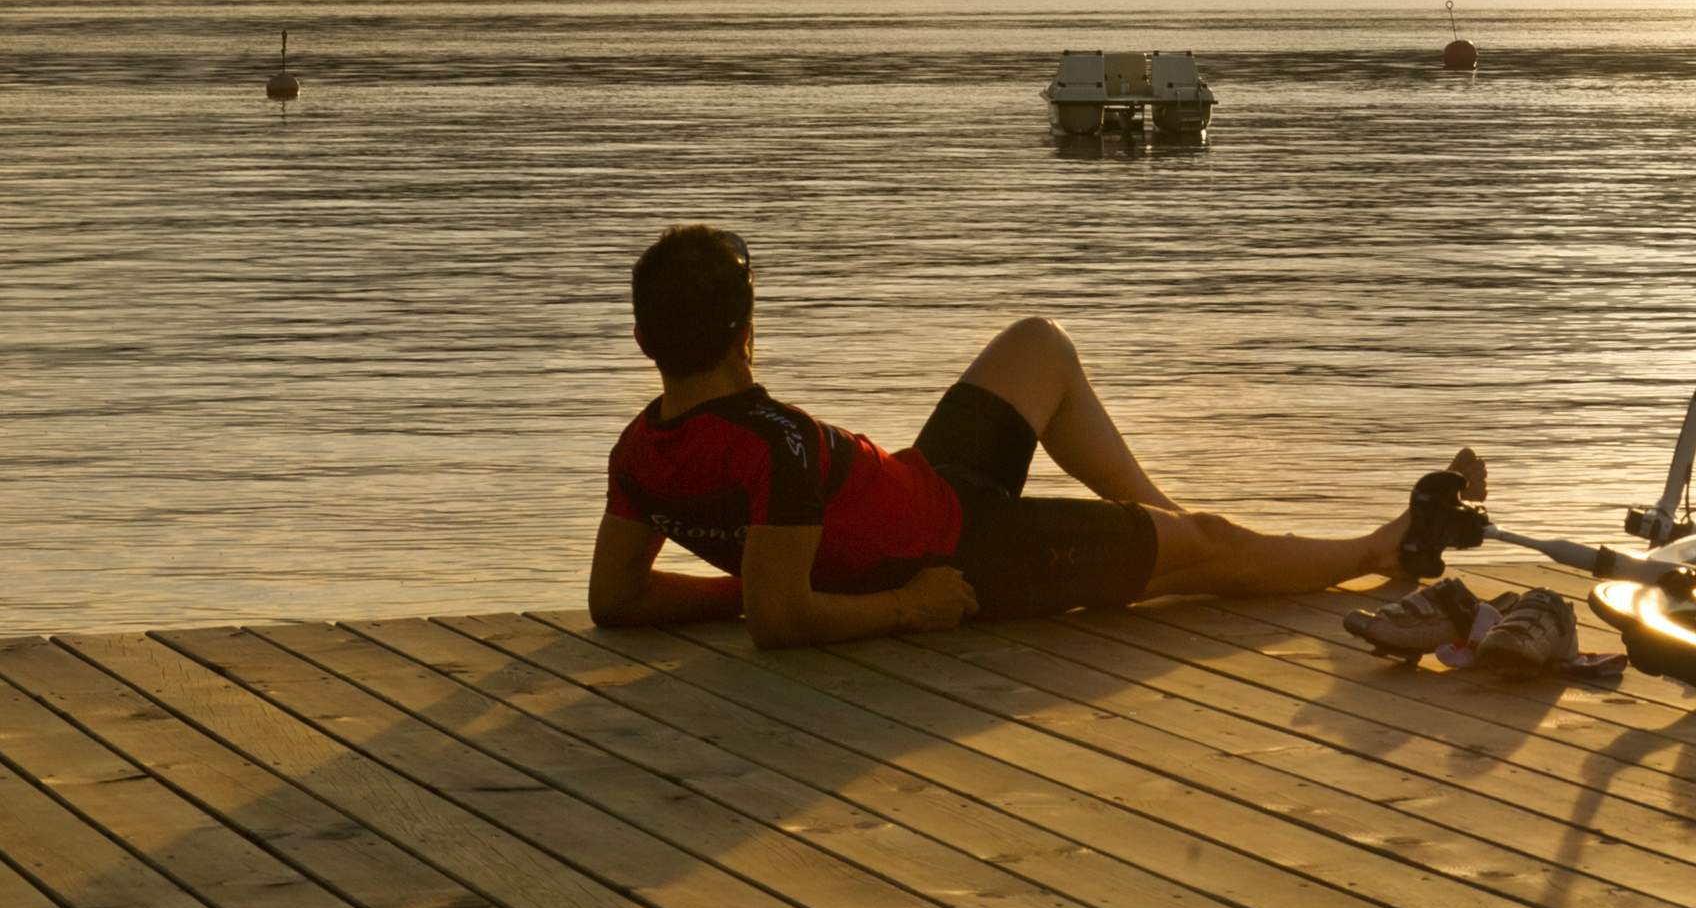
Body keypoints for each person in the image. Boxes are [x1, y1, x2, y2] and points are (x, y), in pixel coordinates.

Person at [589, 224, 1480, 648]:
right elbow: (782, 620)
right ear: (750, 330)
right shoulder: (768, 444)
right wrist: (901, 608)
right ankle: (1382, 548)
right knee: (1203, 550)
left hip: (924, 482)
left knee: (1038, 343)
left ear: (643, 340)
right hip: (970, 548)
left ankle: (1175, 531)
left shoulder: (641, 449)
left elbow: (617, 600)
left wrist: (740, 581)